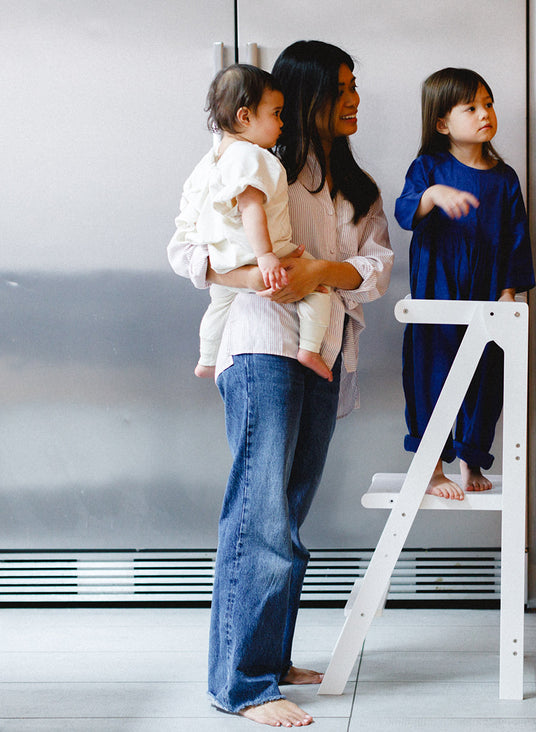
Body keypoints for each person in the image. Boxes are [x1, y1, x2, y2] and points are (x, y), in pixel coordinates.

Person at [167, 41, 393, 727]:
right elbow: (185, 250)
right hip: (263, 349)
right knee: (259, 518)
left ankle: (269, 658)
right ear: (305, 94)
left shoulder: (357, 185)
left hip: (322, 352)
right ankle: (242, 684)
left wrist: (320, 274)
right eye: (344, 87)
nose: (355, 99)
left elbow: (377, 264)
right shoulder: (252, 163)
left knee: (285, 517)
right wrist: (257, 276)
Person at [394, 67, 535, 501]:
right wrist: (432, 195)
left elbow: (516, 239)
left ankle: (471, 458)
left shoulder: (504, 177)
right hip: (438, 288)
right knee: (432, 374)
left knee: (485, 375)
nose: (484, 114)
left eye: (488, 104)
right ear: (442, 123)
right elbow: (403, 212)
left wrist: (509, 291)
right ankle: (433, 466)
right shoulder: (429, 167)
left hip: (487, 287)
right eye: (470, 107)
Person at [172, 64, 332, 381]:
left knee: (219, 303)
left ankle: (206, 359)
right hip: (257, 252)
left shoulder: (213, 160)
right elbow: (251, 207)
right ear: (245, 117)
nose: (282, 123)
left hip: (224, 257)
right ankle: (310, 349)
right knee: (318, 289)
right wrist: (266, 256)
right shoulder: (250, 156)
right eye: (276, 113)